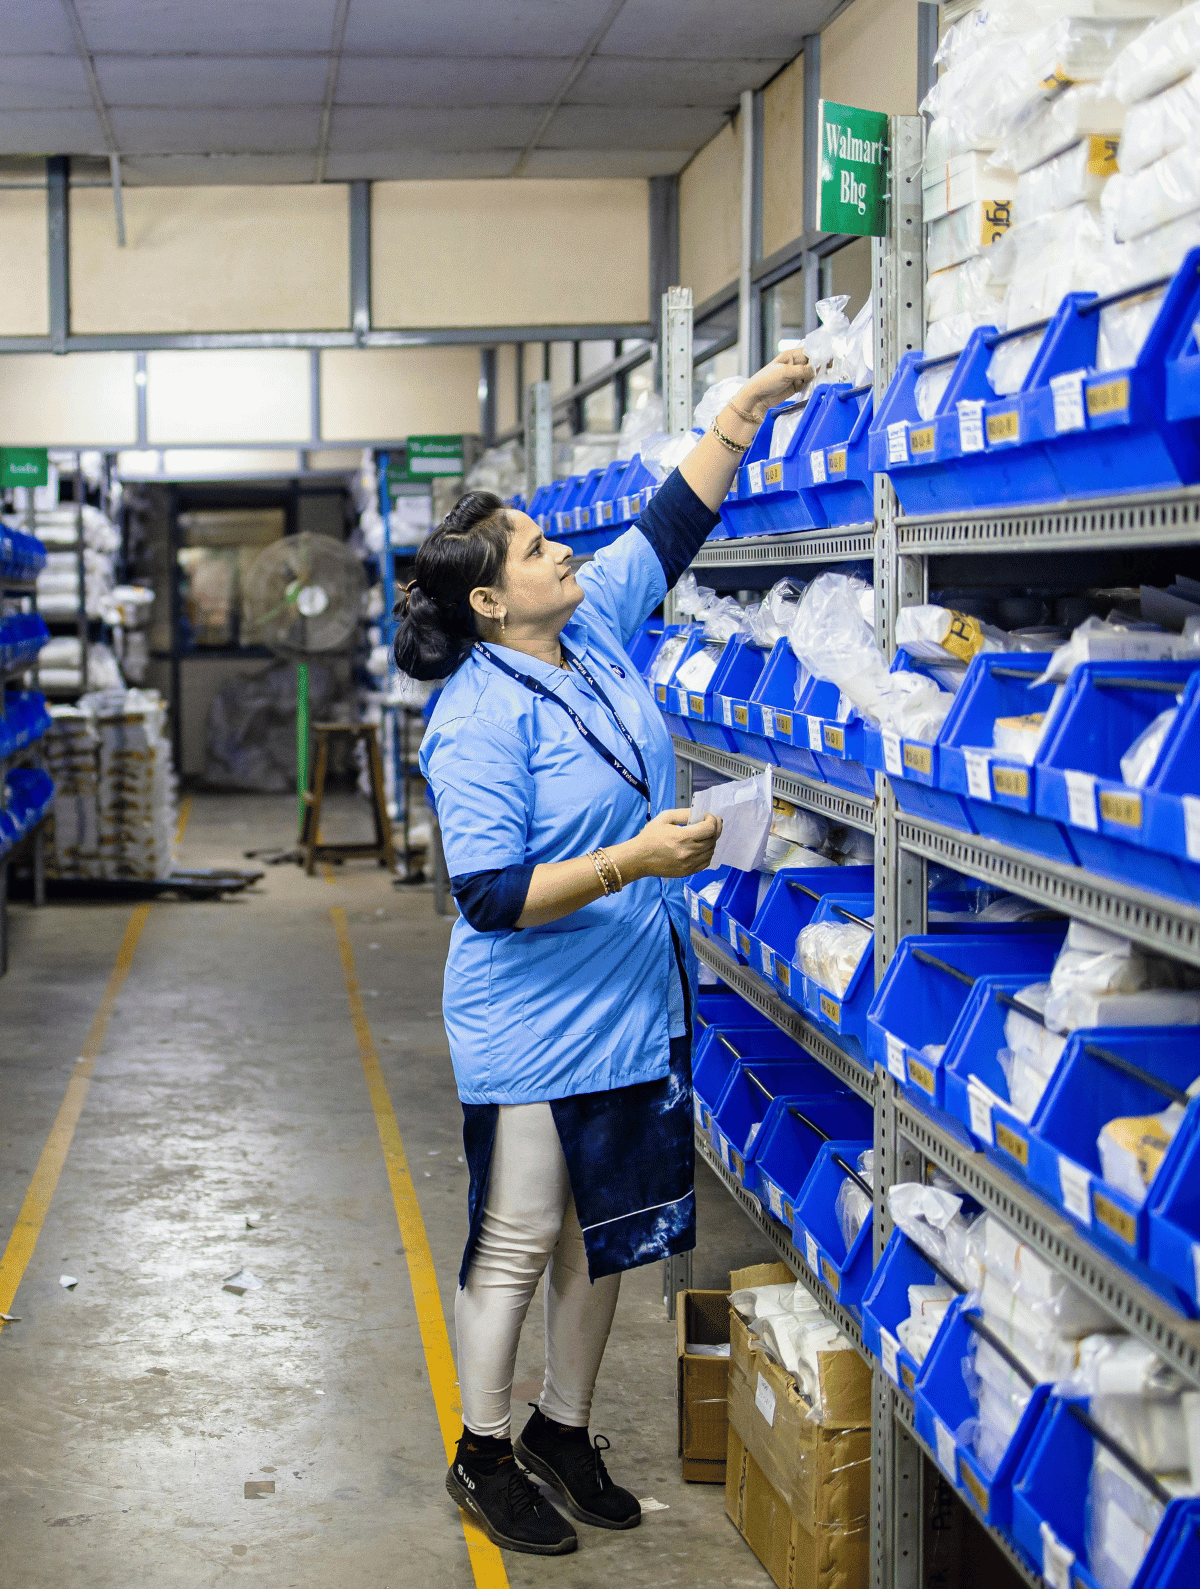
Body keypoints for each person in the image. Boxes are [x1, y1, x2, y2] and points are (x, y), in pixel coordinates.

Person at [397, 348, 815, 1555]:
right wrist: (637, 860)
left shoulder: (599, 635)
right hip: (534, 1018)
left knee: (611, 1225)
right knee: (523, 1231)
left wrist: (739, 412)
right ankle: (482, 1449)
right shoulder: (473, 718)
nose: (561, 553)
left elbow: (669, 523)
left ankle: (562, 1428)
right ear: (489, 602)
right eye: (535, 549)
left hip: (632, 1001)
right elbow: (486, 892)